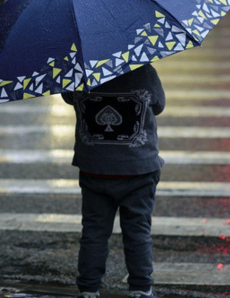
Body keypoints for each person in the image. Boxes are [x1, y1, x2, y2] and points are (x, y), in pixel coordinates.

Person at [62, 64, 165, 298]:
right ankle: (140, 287)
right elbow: (158, 105)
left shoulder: (78, 70)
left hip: (95, 168)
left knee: (94, 231)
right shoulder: (143, 71)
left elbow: (69, 97)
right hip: (138, 168)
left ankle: (88, 288)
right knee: (138, 229)